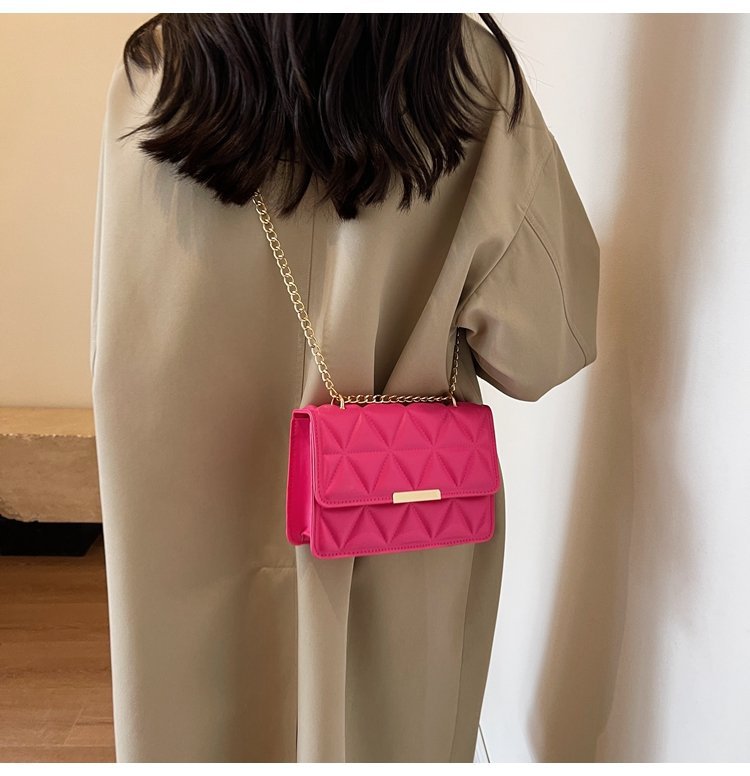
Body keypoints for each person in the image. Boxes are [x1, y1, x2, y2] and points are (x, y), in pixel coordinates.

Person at [90, 13, 599, 763]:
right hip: (402, 541)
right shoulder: (467, 77)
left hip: (186, 541)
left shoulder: (157, 73)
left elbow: (125, 347)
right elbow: (545, 349)